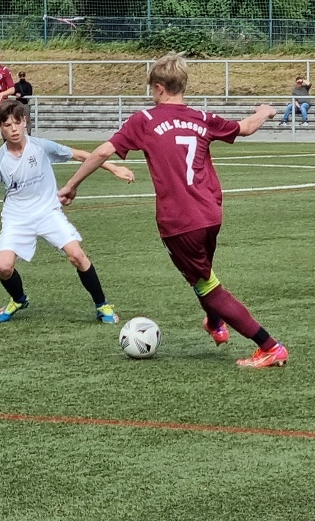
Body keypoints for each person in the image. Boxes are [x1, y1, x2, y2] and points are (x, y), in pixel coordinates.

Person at [58, 53, 289, 369]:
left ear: (158, 87)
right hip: (210, 214)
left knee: (208, 286)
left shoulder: (145, 120)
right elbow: (247, 127)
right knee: (202, 274)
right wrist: (264, 111)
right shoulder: (201, 117)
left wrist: (71, 185)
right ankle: (215, 323)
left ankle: (269, 347)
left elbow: (101, 153)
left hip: (179, 220)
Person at [0, 99, 134, 325]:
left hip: (48, 212)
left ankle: (102, 305)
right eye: (7, 125)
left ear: (25, 122)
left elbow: (80, 155)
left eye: (17, 123)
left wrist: (114, 168)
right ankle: (18, 300)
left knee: (77, 256)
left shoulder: (40, 146)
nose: (14, 129)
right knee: (3, 267)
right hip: (16, 218)